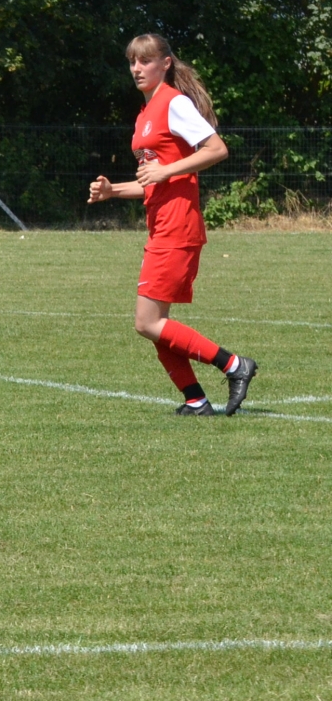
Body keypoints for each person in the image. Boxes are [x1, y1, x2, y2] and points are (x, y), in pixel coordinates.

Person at [89, 34, 256, 415]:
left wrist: (165, 171)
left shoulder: (173, 103)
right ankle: (196, 401)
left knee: (146, 322)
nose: (136, 68)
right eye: (132, 61)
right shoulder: (145, 114)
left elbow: (216, 149)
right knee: (156, 323)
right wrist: (113, 191)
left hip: (178, 226)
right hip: (162, 226)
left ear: (165, 63)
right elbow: (153, 180)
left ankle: (234, 365)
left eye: (145, 60)